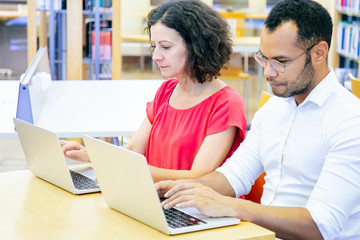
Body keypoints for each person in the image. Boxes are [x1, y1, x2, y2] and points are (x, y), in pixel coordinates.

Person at [156, 0, 360, 239]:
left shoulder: (349, 121)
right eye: (263, 58)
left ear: (318, 53)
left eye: (280, 62)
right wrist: (179, 191)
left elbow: (321, 225)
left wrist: (233, 206)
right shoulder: (274, 109)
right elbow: (233, 176)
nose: (268, 72)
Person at [61, 0, 247, 183]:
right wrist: (89, 154)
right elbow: (134, 149)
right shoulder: (167, 90)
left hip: (194, 207)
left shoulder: (226, 103)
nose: (156, 56)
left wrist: (129, 170)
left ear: (197, 47)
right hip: (159, 197)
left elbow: (199, 177)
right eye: (154, 46)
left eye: (165, 47)